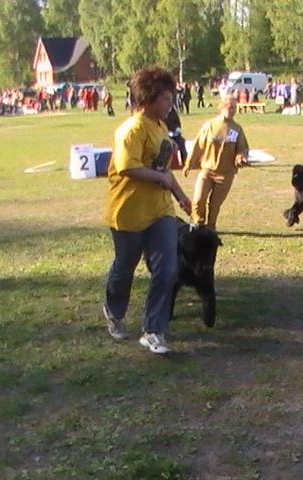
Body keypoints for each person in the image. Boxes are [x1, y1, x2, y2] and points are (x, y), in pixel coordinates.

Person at [103, 66, 192, 355]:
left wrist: (179, 196)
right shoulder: (131, 130)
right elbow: (128, 167)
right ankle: (114, 311)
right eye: (166, 98)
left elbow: (163, 168)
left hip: (160, 212)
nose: (170, 104)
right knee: (124, 268)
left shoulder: (161, 127)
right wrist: (161, 179)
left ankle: (153, 330)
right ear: (149, 98)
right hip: (128, 213)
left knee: (167, 270)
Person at [183, 95, 249, 230]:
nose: (233, 110)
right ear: (222, 107)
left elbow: (242, 148)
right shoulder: (210, 126)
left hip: (226, 175)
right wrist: (188, 163)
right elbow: (198, 145)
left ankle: (210, 229)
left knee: (214, 205)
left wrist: (241, 158)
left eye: (235, 108)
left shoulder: (237, 129)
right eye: (230, 107)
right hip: (207, 171)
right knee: (198, 201)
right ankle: (197, 226)